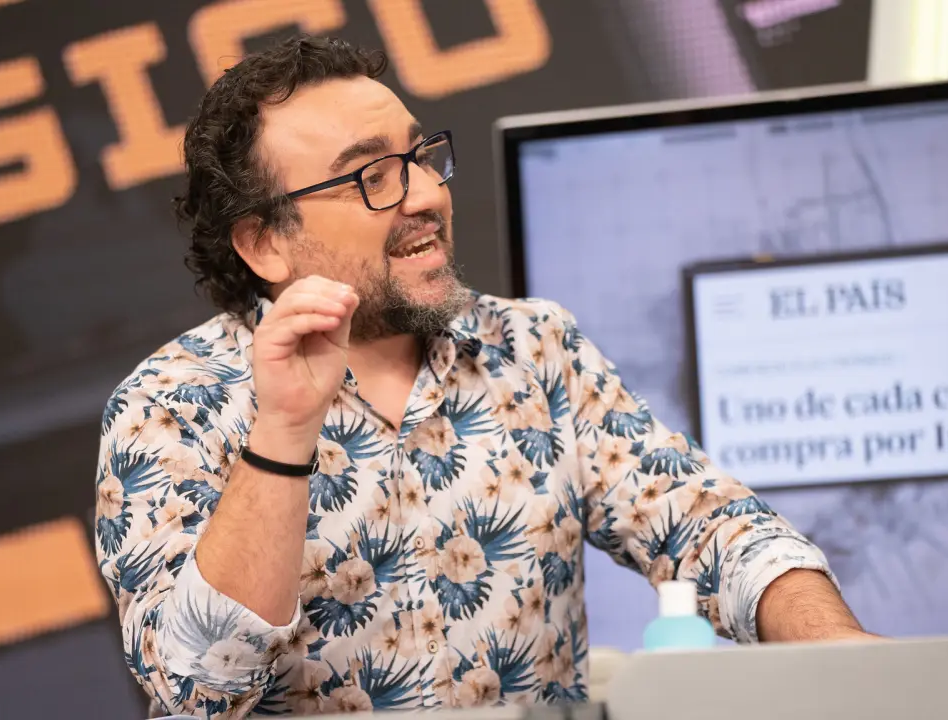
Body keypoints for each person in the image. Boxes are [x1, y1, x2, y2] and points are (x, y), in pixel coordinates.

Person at [94, 34, 873, 719]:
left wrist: (843, 655)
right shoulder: (169, 405)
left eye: (420, 157)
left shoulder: (535, 349)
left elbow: (710, 528)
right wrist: (283, 435)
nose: (427, 194)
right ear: (265, 243)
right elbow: (195, 692)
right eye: (371, 176)